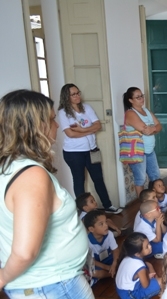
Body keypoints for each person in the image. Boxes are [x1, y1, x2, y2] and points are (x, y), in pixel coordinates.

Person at [0, 90, 93, 298]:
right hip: (52, 286)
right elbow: (25, 251)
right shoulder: (30, 176)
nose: (57, 125)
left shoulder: (10, 166)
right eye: (51, 120)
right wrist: (3, 277)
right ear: (34, 126)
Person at [59, 83, 122, 214]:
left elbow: (98, 125)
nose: (77, 96)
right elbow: (70, 133)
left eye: (78, 92)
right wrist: (89, 130)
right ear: (66, 97)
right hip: (74, 153)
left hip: (92, 150)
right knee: (79, 180)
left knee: (98, 178)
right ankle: (83, 211)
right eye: (73, 94)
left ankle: (107, 205)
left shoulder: (86, 108)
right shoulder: (63, 113)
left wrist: (82, 130)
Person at [123, 87, 162, 197]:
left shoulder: (147, 111)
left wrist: (153, 128)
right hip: (138, 151)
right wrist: (153, 128)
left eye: (142, 96)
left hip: (149, 150)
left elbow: (159, 126)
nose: (141, 98)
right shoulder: (130, 113)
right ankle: (143, 204)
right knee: (140, 178)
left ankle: (154, 200)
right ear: (131, 100)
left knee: (155, 176)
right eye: (137, 97)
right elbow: (145, 130)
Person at [115, 232, 161, 299]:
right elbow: (145, 285)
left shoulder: (127, 256)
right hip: (130, 295)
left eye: (149, 243)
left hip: (121, 290)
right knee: (161, 281)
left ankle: (154, 277)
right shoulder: (139, 266)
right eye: (146, 246)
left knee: (148, 265)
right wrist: (148, 277)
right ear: (137, 254)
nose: (150, 246)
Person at [84, 210, 119, 284]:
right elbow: (92, 261)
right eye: (101, 224)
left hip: (109, 259)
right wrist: (108, 268)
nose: (106, 225)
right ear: (91, 229)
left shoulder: (109, 234)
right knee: (95, 273)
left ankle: (113, 271)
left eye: (106, 222)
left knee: (123, 259)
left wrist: (114, 263)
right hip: (97, 263)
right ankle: (114, 272)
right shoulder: (87, 241)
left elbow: (115, 250)